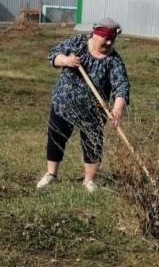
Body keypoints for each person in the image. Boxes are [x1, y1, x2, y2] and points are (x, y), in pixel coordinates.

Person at [37, 17, 130, 193]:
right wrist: (66, 61)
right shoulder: (78, 43)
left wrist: (117, 109)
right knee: (56, 137)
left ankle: (89, 180)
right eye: (106, 38)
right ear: (95, 34)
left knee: (93, 144)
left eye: (112, 39)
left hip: (93, 111)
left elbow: (121, 87)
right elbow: (53, 55)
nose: (109, 42)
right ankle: (51, 175)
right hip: (64, 103)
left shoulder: (113, 60)